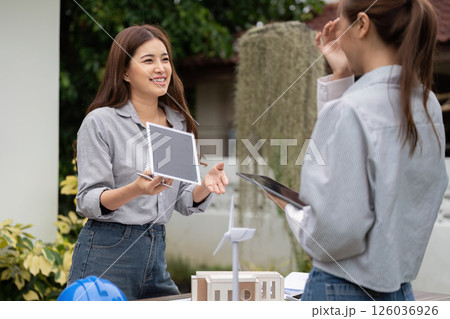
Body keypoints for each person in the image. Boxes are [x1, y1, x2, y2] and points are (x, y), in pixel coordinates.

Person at [268, 0, 448, 301]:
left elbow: (332, 235)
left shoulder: (352, 109)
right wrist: (340, 78)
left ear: (362, 25)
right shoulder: (426, 105)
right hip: (399, 290)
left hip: (342, 290)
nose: (335, 32)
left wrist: (293, 210)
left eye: (340, 23)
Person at [67, 24, 229, 300]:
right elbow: (88, 200)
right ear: (124, 73)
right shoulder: (101, 122)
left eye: (165, 59)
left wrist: (205, 185)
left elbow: (182, 198)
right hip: (107, 251)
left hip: (155, 250)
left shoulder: (177, 124)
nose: (161, 68)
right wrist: (136, 189)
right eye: (148, 60)